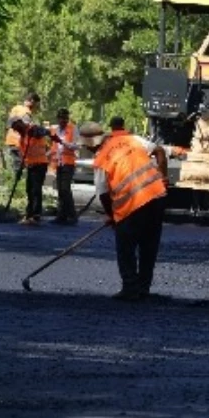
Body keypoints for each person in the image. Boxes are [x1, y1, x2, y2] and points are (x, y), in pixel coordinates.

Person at [79, 117, 169, 301]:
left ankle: (130, 288)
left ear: (89, 145)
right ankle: (143, 287)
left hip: (133, 205)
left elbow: (103, 194)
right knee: (148, 246)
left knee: (125, 246)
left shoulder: (101, 159)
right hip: (156, 197)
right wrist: (162, 174)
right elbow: (159, 151)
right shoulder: (132, 139)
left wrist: (113, 217)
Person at [8, 93, 52, 225]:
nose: (16, 130)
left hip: (40, 164)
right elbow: (25, 153)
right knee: (30, 189)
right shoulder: (22, 137)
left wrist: (39, 131)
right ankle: (30, 214)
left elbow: (43, 132)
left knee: (35, 189)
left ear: (22, 125)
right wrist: (22, 165)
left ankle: (35, 215)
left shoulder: (33, 130)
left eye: (17, 127)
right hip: (32, 164)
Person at [49, 108, 80, 225]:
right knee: (60, 190)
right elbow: (54, 147)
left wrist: (63, 142)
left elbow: (76, 146)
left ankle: (72, 215)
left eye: (66, 119)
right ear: (58, 119)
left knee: (65, 189)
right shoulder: (56, 130)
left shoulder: (73, 129)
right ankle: (61, 216)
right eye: (62, 119)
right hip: (59, 163)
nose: (64, 121)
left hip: (68, 163)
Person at [5, 92, 40, 175]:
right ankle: (18, 184)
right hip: (18, 142)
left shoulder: (16, 108)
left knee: (15, 165)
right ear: (31, 101)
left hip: (10, 140)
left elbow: (9, 124)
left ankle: (15, 183)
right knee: (20, 167)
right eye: (36, 105)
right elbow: (26, 129)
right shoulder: (26, 113)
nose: (35, 107)